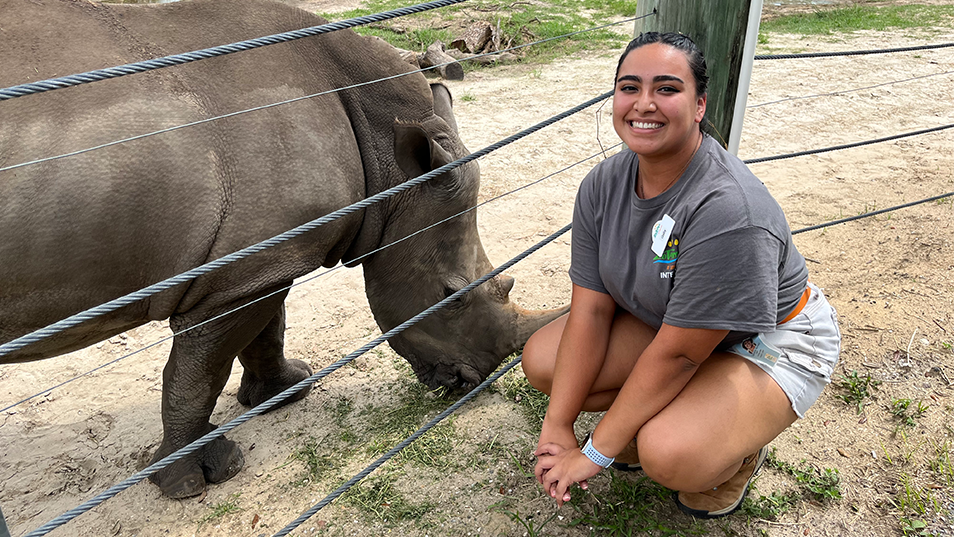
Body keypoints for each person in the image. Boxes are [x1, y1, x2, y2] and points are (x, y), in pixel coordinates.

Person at [522, 32, 841, 519]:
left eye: (667, 89)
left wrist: (593, 452)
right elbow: (590, 310)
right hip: (671, 321)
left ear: (698, 106)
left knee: (669, 452)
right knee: (544, 360)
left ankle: (735, 455)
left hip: (772, 335)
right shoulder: (602, 185)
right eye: (630, 87)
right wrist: (557, 425)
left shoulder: (728, 208)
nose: (644, 103)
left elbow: (677, 356)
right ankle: (666, 416)